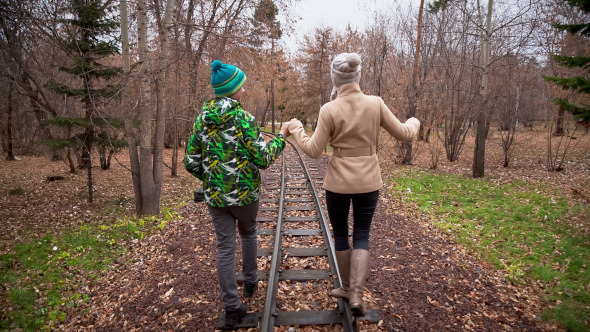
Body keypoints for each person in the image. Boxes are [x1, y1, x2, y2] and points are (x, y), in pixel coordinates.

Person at [287, 52, 420, 317]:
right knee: (362, 234)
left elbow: (314, 150)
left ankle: (347, 287)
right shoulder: (375, 103)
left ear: (335, 78)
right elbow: (404, 133)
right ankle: (357, 294)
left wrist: (297, 129)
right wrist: (414, 122)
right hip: (369, 180)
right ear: (358, 76)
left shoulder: (329, 109)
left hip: (338, 183)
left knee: (340, 234)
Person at [184, 59, 290, 328]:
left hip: (216, 199)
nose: (244, 89)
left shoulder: (202, 120)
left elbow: (190, 161)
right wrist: (280, 137)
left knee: (224, 247)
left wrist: (211, 178)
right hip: (245, 196)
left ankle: (232, 307)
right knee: (249, 234)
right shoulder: (244, 119)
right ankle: (251, 283)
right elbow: (263, 158)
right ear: (233, 89)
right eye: (241, 86)